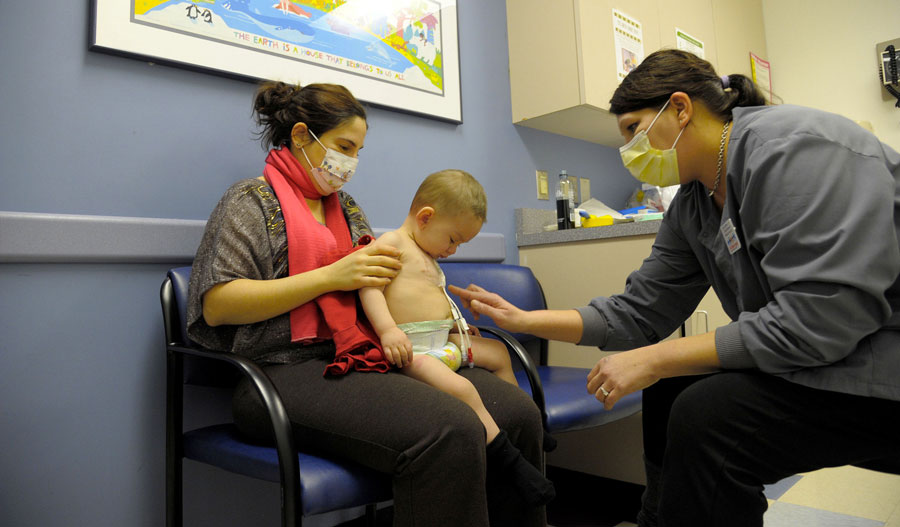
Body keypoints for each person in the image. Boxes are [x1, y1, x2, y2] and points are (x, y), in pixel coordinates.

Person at [449, 48, 900, 527]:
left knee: (710, 419)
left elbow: (817, 321)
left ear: (681, 108)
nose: (627, 151)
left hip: (876, 363)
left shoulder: (794, 151)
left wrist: (653, 359)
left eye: (632, 130)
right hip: (822, 358)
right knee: (669, 395)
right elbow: (639, 312)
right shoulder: (694, 202)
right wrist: (522, 320)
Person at [186, 81, 547, 526]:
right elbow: (219, 305)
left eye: (358, 150)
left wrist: (443, 327)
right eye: (344, 146)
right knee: (448, 429)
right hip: (275, 375)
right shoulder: (249, 201)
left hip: (359, 359)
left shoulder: (347, 208)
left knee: (516, 413)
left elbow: (380, 288)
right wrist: (328, 277)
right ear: (301, 136)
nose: (350, 162)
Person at [359, 169, 556, 506]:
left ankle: (527, 423)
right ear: (425, 218)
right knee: (465, 389)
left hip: (444, 345)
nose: (453, 249)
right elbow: (369, 287)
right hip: (413, 354)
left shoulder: (428, 255)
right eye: (452, 239)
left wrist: (458, 328)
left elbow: (431, 300)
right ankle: (507, 457)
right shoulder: (392, 244)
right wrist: (388, 330)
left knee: (498, 353)